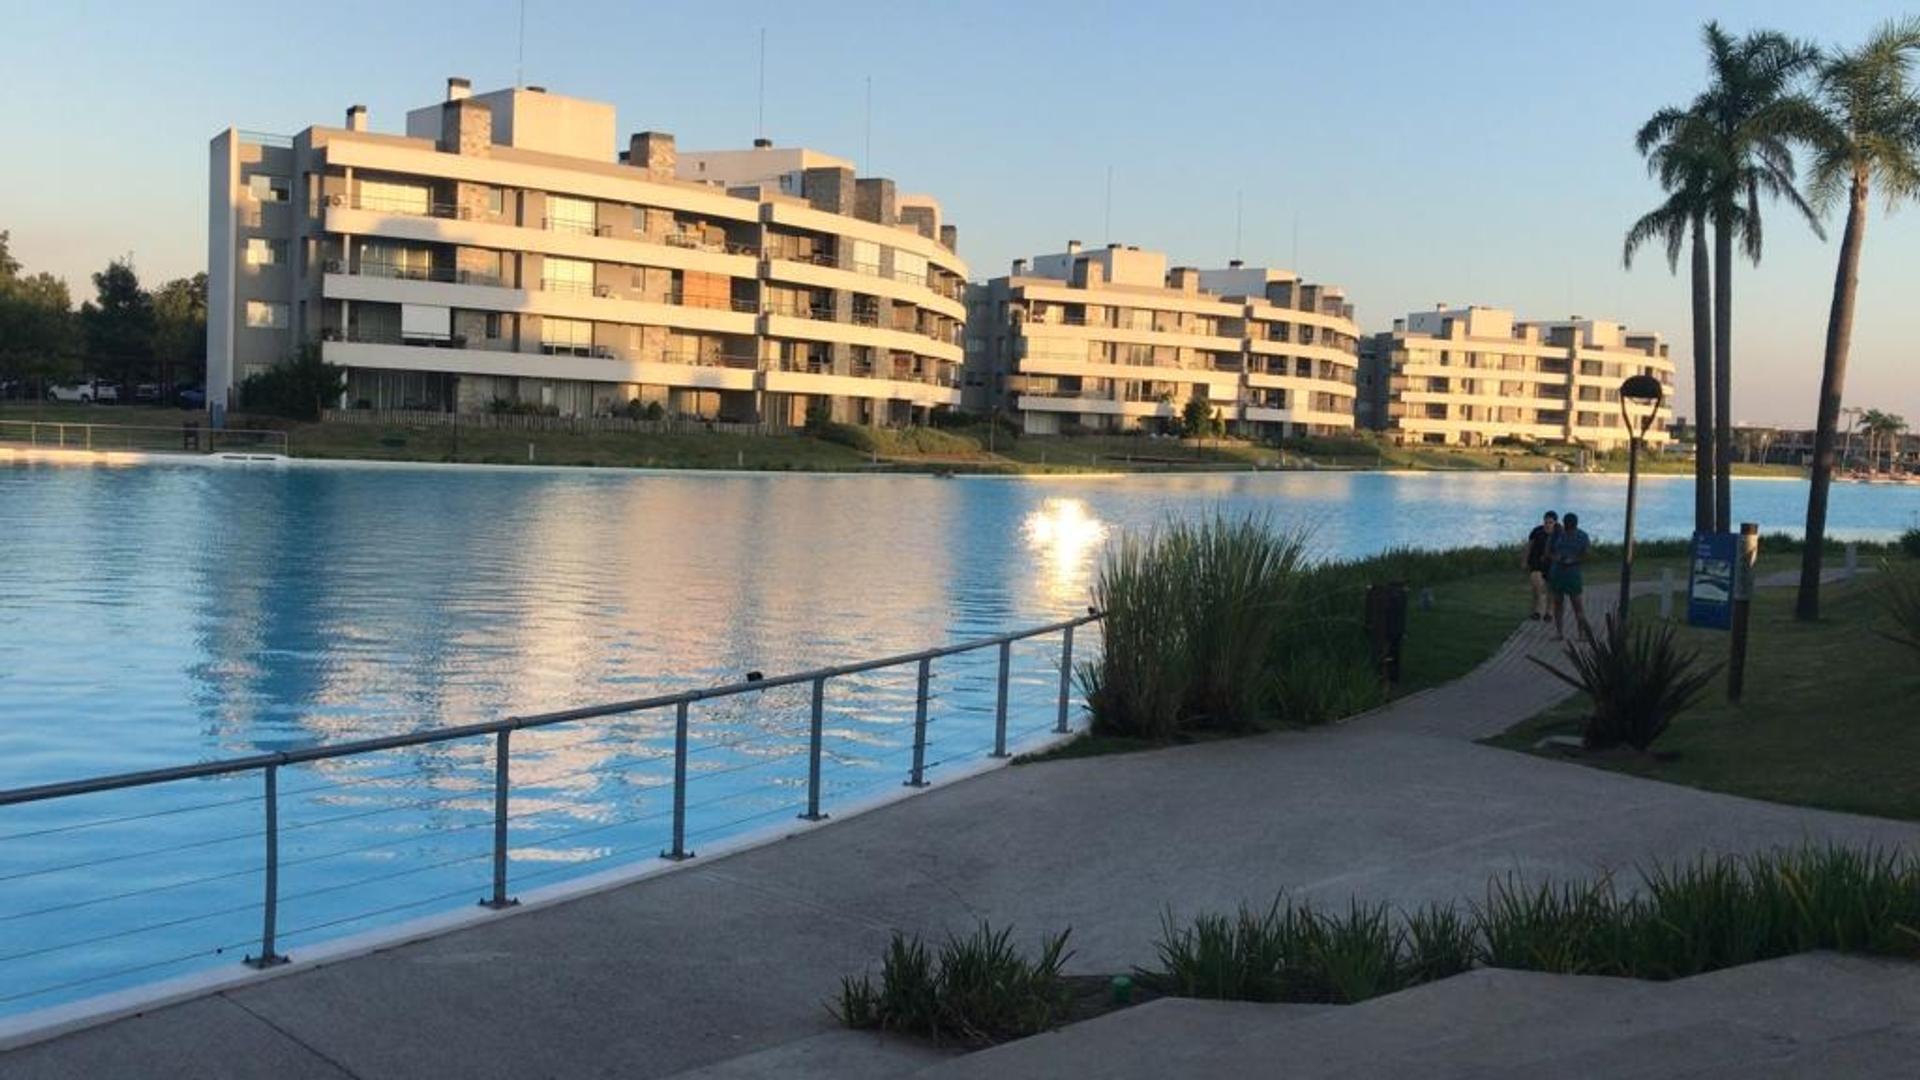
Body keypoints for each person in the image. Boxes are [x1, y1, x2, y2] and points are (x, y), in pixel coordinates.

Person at [1547, 512, 1594, 644]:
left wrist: (1573, 560)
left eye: (1570, 526)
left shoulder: (1582, 536)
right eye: (1567, 526)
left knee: (1576, 605)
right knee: (1559, 603)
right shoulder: (1558, 534)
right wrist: (1557, 558)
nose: (1568, 529)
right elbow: (1548, 552)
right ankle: (1560, 633)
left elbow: (1586, 554)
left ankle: (1580, 634)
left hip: (1572, 573)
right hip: (1558, 572)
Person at [1522, 511, 1559, 620]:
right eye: (1546, 522)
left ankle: (1549, 612)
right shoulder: (1537, 531)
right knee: (1537, 587)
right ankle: (1538, 611)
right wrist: (1524, 560)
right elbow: (1529, 547)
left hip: (1552, 565)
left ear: (1555, 523)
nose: (1547, 525)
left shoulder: (1559, 533)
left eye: (1550, 522)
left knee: (1551, 589)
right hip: (1536, 563)